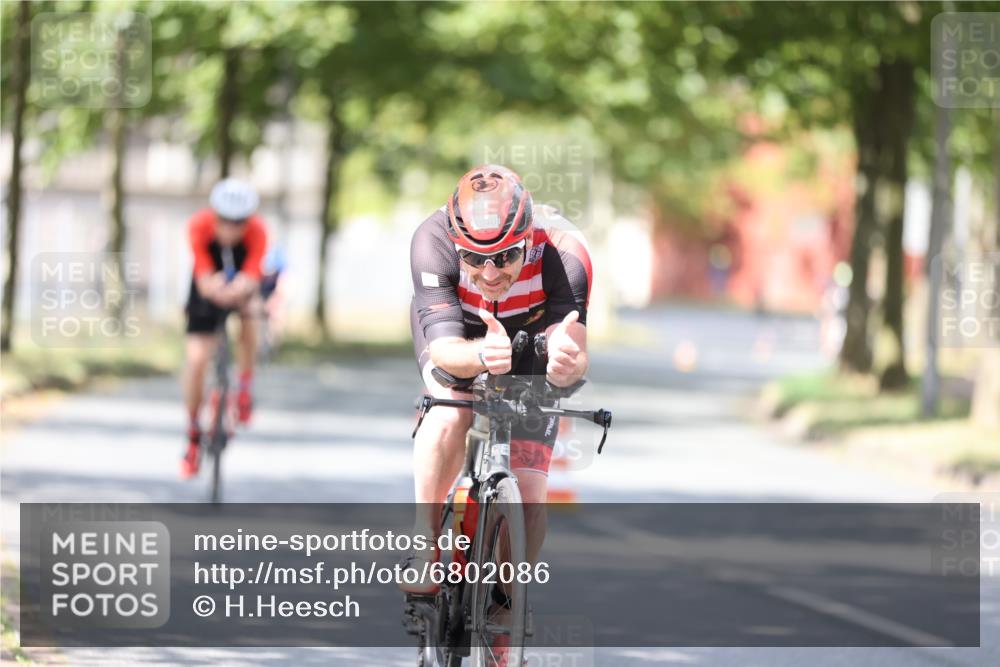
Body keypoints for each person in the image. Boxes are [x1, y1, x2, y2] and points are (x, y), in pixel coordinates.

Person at [403, 164, 592, 594]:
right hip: (460, 333)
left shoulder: (564, 249)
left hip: (532, 338)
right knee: (450, 415)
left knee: (527, 493)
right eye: (473, 258)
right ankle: (426, 545)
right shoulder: (432, 241)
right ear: (456, 246)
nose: (490, 274)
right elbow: (445, 350)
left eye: (505, 256)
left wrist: (567, 361)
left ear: (527, 238)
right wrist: (480, 355)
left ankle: (507, 611)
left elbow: (575, 347)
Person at [180, 178, 268, 478]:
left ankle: (244, 384)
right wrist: (216, 289)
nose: (231, 229)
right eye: (225, 222)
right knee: (196, 360)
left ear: (248, 220)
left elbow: (253, 275)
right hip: (208, 284)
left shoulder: (257, 231)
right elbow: (204, 280)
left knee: (253, 311)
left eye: (238, 222)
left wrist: (241, 291)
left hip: (241, 283)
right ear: (214, 216)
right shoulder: (198, 226)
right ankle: (193, 430)